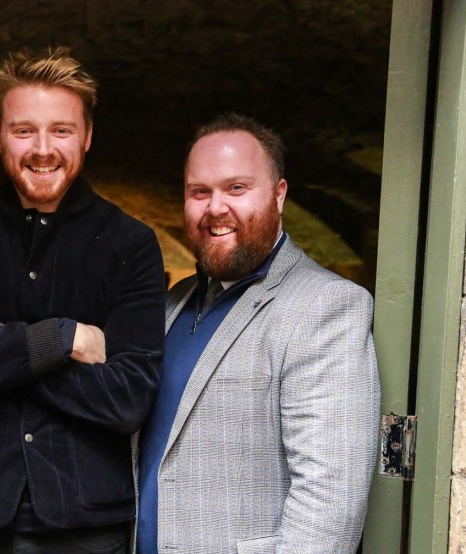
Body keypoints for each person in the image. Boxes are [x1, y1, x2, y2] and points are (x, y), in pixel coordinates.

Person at [0, 48, 165, 553]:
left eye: (61, 131)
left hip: (86, 528)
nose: (42, 149)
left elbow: (127, 398)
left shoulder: (131, 245)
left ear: (87, 137)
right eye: (24, 130)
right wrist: (63, 338)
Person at [136, 113, 380, 553]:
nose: (215, 208)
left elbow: (330, 505)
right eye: (199, 192)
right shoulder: (177, 300)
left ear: (279, 195)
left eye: (236, 188)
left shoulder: (326, 307)